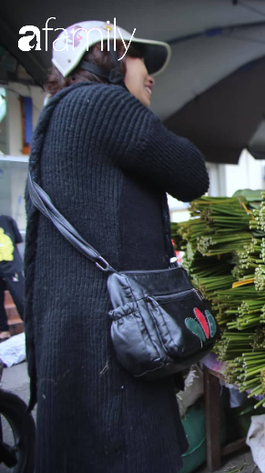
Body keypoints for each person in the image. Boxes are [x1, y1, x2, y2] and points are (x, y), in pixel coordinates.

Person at [24, 21, 209, 472]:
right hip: (108, 337)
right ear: (104, 58)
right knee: (127, 449)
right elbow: (192, 174)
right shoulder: (103, 104)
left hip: (71, 332)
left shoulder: (60, 113)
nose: (149, 76)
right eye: (138, 59)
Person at [0, 214, 25, 341]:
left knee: (20, 297)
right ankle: (3, 330)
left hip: (11, 266)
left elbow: (16, 242)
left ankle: (29, 325)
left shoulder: (6, 220)